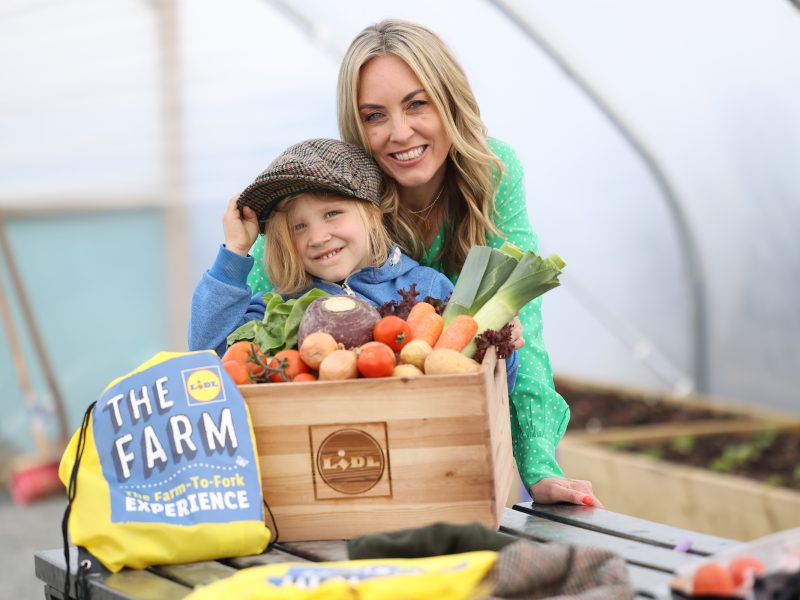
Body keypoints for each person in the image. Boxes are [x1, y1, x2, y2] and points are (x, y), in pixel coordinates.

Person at [247, 20, 600, 507]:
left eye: (417, 104)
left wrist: (539, 463)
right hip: (354, 445)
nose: (399, 133)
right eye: (374, 115)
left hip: (456, 437)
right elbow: (253, 319)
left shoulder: (492, 175)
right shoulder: (341, 197)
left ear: (449, 99)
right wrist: (234, 255)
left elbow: (523, 328)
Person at [188, 137, 518, 392]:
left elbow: (492, 386)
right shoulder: (277, 309)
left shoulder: (428, 288)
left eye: (332, 213)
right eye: (298, 227)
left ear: (371, 214)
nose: (318, 237)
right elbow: (208, 356)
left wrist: (503, 346)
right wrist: (235, 252)